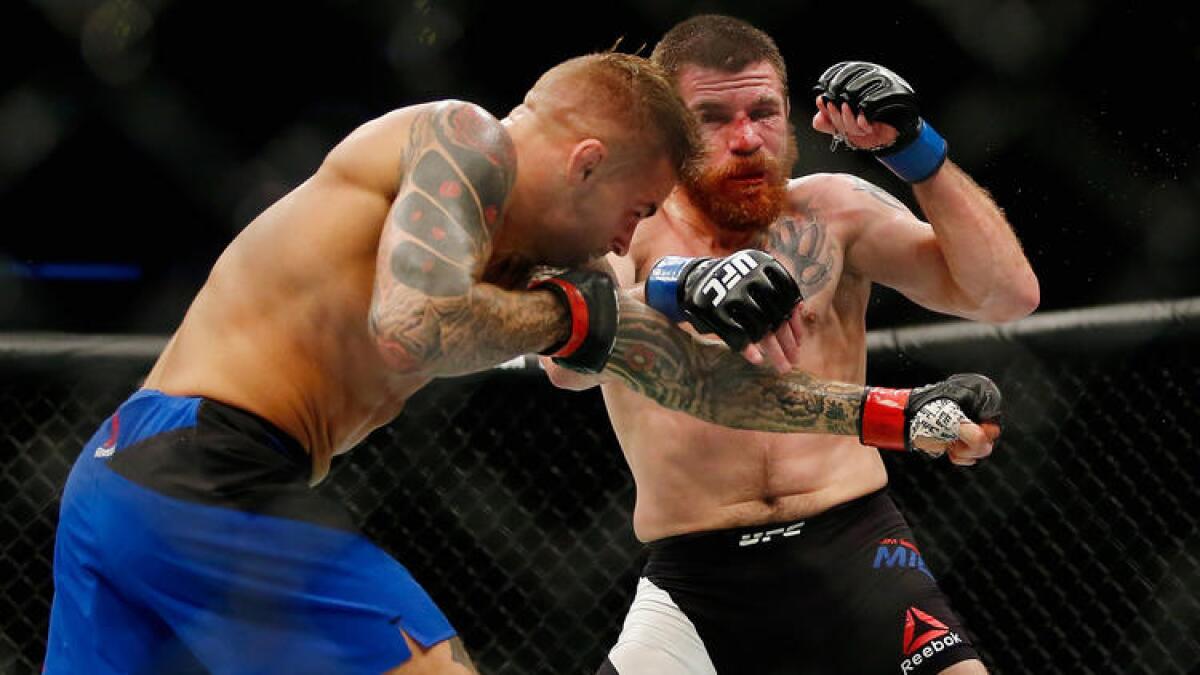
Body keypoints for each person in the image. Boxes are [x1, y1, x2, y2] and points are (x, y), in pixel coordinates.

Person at [42, 50, 988, 674]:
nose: (635, 229)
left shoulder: (550, 267)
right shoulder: (460, 143)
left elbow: (699, 380)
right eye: (638, 202)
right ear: (585, 162)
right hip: (204, 471)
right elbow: (411, 325)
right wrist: (574, 312)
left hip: (126, 477)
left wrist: (896, 416)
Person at [543, 15, 1039, 675]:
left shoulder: (833, 211)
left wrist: (919, 152)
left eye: (765, 112)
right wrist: (678, 286)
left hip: (858, 550)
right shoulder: (624, 233)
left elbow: (1005, 294)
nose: (746, 138)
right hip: (697, 584)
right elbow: (565, 364)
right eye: (713, 116)